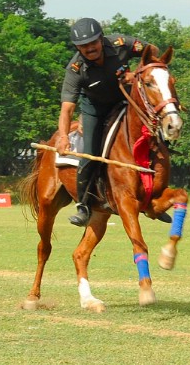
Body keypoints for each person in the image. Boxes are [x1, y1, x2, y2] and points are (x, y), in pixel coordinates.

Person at [55, 17, 157, 227]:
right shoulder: (75, 69)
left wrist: (137, 73)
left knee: (155, 137)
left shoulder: (121, 44)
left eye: (93, 42)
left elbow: (153, 51)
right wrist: (64, 136)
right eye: (83, 46)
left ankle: (154, 198)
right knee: (91, 152)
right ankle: (83, 205)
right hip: (95, 108)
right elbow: (67, 108)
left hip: (125, 101)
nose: (89, 48)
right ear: (77, 48)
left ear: (101, 39)